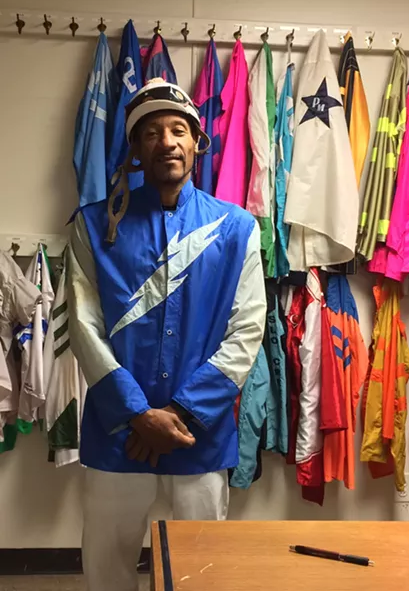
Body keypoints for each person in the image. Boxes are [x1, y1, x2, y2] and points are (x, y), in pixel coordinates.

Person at [67, 79, 266, 591]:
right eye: (151, 132)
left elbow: (247, 330)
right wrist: (137, 413)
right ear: (135, 147)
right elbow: (85, 327)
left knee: (200, 570)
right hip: (119, 434)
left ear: (197, 142)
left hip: (196, 431)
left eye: (179, 129)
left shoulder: (238, 227)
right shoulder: (91, 226)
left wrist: (176, 414)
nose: (167, 141)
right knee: (107, 569)